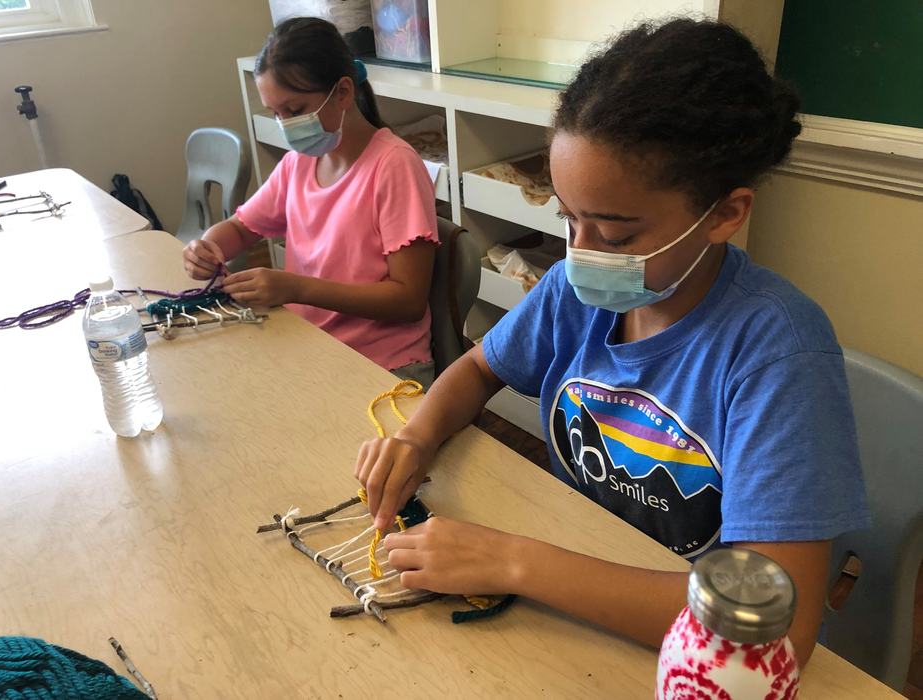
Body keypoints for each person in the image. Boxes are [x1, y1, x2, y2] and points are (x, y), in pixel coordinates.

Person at [354, 18, 870, 666]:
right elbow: (476, 371)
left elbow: (769, 629)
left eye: (615, 236)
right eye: (568, 218)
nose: (579, 254)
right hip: (574, 604)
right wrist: (415, 438)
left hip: (692, 661)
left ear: (724, 214)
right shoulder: (572, 294)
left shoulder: (776, 353)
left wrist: (514, 562)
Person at [182, 17, 438, 387]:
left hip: (384, 365)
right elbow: (241, 227)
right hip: (312, 344)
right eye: (276, 113)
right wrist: (207, 246)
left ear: (344, 92)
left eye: (296, 110)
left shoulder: (393, 166)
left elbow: (408, 299)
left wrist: (296, 288)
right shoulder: (298, 164)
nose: (285, 125)